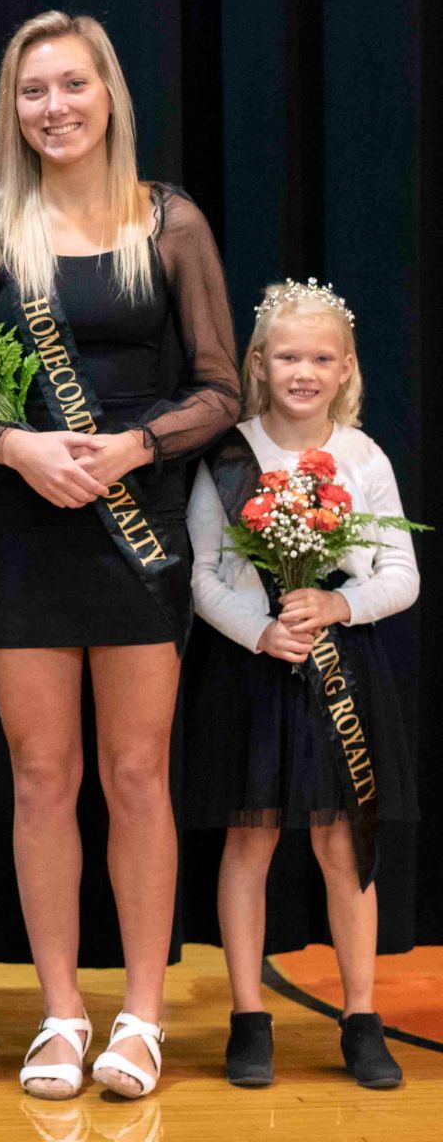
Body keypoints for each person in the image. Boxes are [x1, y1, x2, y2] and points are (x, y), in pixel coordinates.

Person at [0, 10, 239, 1100]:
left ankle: (141, 1014)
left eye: (72, 85)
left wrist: (133, 446)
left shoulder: (169, 221)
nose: (53, 107)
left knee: (135, 773)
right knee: (42, 775)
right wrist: (14, 446)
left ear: (108, 93)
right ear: (11, 109)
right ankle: (60, 1011)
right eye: (32, 91)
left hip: (139, 528)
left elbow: (220, 388)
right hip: (27, 530)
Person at [182, 279, 418, 1089]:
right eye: (288, 357)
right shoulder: (228, 456)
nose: (304, 372)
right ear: (258, 362)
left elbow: (402, 573)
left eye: (321, 358)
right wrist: (260, 630)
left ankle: (361, 1016)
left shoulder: (364, 456)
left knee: (344, 841)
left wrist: (340, 604)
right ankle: (249, 1017)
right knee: (249, 838)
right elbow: (201, 574)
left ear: (346, 367)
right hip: (254, 670)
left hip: (342, 672)